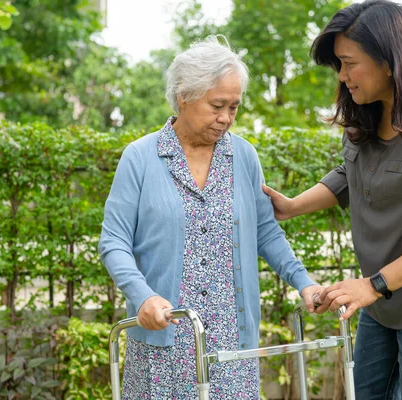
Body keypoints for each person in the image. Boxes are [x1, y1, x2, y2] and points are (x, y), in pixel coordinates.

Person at [262, 1, 402, 399]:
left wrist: (372, 285)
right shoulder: (369, 113)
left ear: (389, 59)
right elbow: (348, 175)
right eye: (339, 64)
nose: (343, 76)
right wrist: (292, 206)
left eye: (350, 63)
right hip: (383, 295)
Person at [98, 36, 323, 399]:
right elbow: (114, 242)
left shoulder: (244, 157)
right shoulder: (140, 158)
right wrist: (142, 297)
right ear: (184, 95)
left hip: (231, 345)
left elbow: (266, 234)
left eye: (234, 107)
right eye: (217, 105)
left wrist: (304, 282)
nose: (226, 118)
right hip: (163, 342)